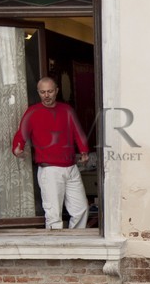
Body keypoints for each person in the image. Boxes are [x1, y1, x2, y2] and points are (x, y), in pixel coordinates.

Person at [12, 77, 92, 229]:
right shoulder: (33, 112)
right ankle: (57, 251)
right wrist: (18, 148)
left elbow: (77, 132)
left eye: (49, 91)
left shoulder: (67, 110)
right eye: (42, 92)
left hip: (71, 168)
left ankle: (75, 245)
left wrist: (84, 150)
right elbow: (21, 133)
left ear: (56, 91)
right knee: (53, 215)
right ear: (38, 92)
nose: (46, 95)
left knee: (81, 210)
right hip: (49, 170)